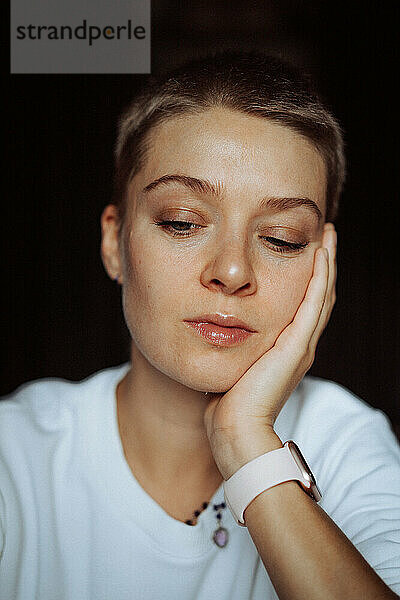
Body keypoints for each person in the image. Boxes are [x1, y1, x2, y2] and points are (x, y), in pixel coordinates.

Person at [1, 52, 399, 600]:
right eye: (182, 222)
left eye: (281, 237)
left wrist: (246, 441)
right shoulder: (13, 453)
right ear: (114, 243)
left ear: (324, 262)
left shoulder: (348, 440)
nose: (232, 271)